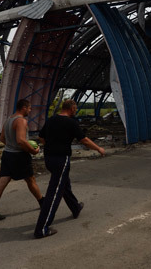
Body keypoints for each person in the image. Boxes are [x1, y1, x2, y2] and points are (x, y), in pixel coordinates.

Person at [34, 99, 105, 239]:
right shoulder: (71, 123)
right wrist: (99, 148)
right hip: (61, 159)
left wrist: (51, 145)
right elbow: (83, 140)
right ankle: (42, 229)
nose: (76, 110)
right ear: (71, 108)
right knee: (54, 193)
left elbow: (41, 137)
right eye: (75, 108)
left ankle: (75, 207)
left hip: (49, 158)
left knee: (64, 184)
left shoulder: (51, 119)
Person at [0, 99, 43, 223]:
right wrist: (33, 151)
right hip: (19, 156)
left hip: (8, 154)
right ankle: (43, 202)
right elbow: (21, 141)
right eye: (29, 108)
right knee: (30, 179)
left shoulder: (8, 120)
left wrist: (10, 146)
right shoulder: (21, 121)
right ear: (24, 108)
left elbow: (2, 138)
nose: (30, 110)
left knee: (3, 181)